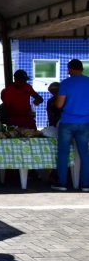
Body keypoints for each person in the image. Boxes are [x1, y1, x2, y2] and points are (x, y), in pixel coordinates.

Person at [52, 59, 89, 193]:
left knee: (63, 153)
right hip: (85, 123)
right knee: (84, 153)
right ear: (82, 69)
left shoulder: (66, 83)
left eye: (68, 69)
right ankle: (86, 185)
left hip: (67, 122)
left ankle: (62, 183)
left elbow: (59, 105)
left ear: (71, 69)